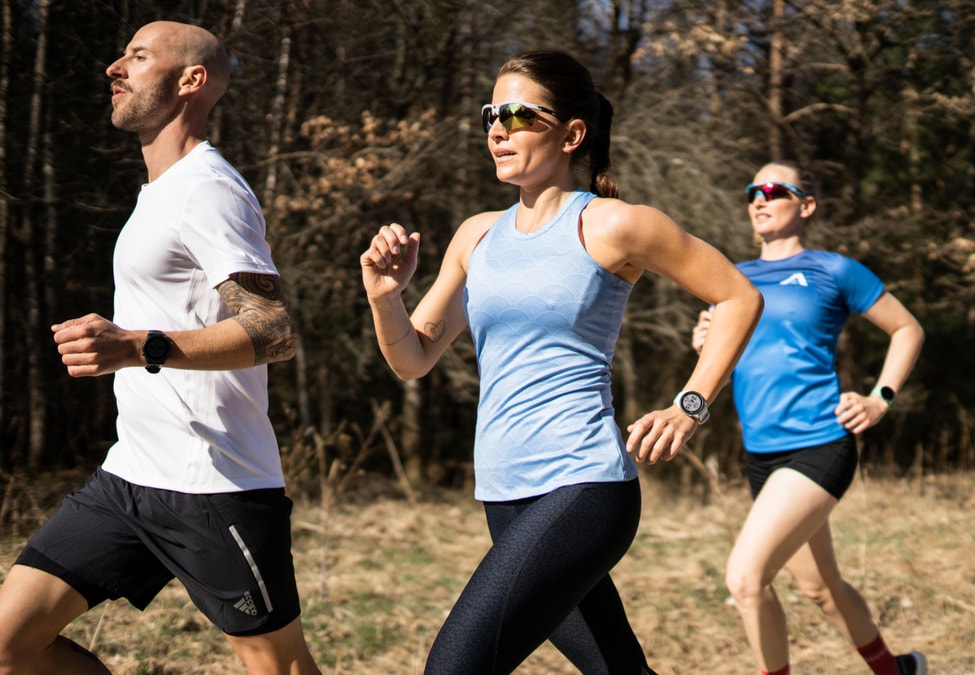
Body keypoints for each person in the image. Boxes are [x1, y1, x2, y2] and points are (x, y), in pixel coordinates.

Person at [360, 49, 762, 674]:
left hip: (583, 484)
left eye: (519, 114)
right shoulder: (476, 235)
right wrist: (386, 297)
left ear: (572, 133)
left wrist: (690, 406)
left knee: (453, 669)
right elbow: (413, 358)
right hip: (503, 490)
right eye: (492, 112)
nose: (498, 127)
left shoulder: (614, 225)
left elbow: (738, 295)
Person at [0, 21, 320, 674]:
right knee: (10, 643)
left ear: (190, 81)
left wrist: (136, 345)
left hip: (216, 483)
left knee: (280, 670)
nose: (114, 68)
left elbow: (273, 329)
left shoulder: (209, 188)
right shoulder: (160, 191)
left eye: (138, 57)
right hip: (131, 477)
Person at [693, 161, 926, 675]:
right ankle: (897, 671)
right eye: (752, 190)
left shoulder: (833, 270)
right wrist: (708, 348)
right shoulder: (733, 279)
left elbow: (907, 330)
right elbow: (727, 368)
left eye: (774, 189)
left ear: (806, 205)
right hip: (760, 453)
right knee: (820, 588)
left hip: (819, 442)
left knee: (746, 579)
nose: (759, 198)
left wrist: (880, 398)